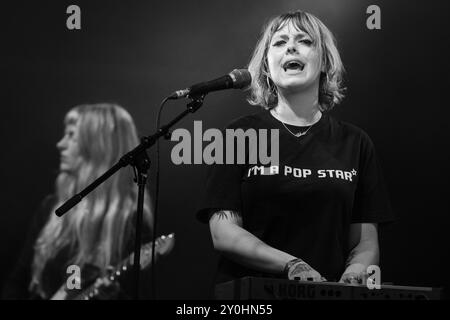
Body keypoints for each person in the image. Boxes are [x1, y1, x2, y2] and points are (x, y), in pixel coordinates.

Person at [196, 10, 395, 287]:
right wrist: (291, 264)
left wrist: (356, 271)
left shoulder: (355, 142)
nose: (290, 46)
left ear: (325, 61)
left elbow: (365, 241)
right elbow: (223, 233)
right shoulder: (238, 135)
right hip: (254, 296)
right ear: (266, 65)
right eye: (279, 43)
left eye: (304, 41)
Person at [2, 103, 153, 299]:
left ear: (98, 147)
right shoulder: (51, 207)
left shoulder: (131, 222)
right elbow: (18, 281)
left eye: (71, 136)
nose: (60, 144)